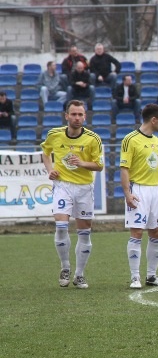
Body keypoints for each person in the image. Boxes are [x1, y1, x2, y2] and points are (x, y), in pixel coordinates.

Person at [40, 99, 103, 289]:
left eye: (80, 114)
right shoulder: (54, 134)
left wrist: (82, 163)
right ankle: (65, 267)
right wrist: (50, 169)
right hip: (63, 185)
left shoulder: (93, 138)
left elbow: (99, 165)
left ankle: (79, 274)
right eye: (73, 114)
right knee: (61, 226)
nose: (77, 117)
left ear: (85, 116)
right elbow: (45, 151)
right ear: (66, 116)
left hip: (84, 188)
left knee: (84, 232)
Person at [120, 103, 158, 289]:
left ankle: (151, 275)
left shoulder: (157, 141)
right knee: (137, 232)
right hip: (138, 189)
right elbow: (124, 168)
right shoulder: (130, 139)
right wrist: (127, 193)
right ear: (153, 120)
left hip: (155, 191)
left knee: (156, 232)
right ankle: (135, 277)